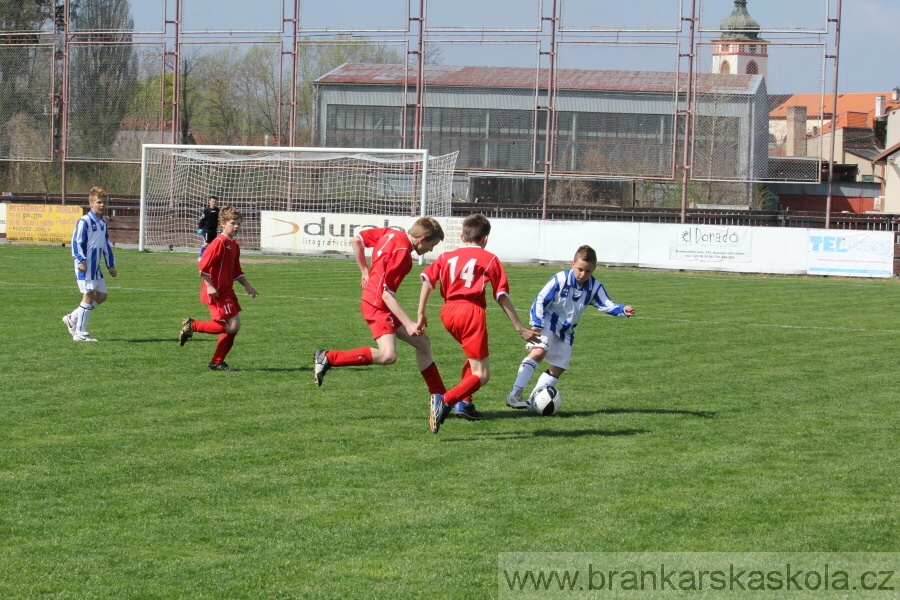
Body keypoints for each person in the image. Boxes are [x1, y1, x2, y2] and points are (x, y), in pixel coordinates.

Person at [418, 214, 539, 434]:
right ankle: (446, 401)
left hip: (448, 312)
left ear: (462, 237)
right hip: (470, 312)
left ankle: (465, 403)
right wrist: (520, 328)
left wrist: (420, 313)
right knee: (482, 374)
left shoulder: (446, 256)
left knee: (473, 359)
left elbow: (427, 280)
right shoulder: (489, 259)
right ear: (485, 239)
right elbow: (501, 295)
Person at [313, 217, 446, 398]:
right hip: (377, 305)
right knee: (388, 355)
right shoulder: (403, 254)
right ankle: (328, 357)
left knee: (423, 343)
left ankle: (439, 397)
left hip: (377, 301)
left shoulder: (391, 233)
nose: (430, 250)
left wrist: (364, 271)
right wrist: (408, 324)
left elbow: (357, 240)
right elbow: (386, 294)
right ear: (422, 239)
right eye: (432, 245)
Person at [506, 245, 635, 409]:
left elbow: (606, 304)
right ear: (572, 263)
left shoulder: (594, 287)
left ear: (594, 269)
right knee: (539, 351)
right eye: (580, 269)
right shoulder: (560, 279)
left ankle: (533, 403)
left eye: (588, 271)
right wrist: (537, 323)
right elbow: (540, 300)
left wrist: (622, 310)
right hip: (548, 322)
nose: (583, 274)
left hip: (567, 331)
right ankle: (514, 394)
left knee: (559, 367)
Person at [179, 205, 258, 371]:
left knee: (234, 327)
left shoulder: (234, 244)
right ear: (222, 223)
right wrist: (209, 285)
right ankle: (192, 325)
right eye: (232, 223)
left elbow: (236, 271)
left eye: (238, 223)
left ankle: (217, 362)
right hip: (216, 291)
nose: (236, 226)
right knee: (233, 326)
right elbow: (203, 267)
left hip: (227, 291)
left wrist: (247, 285)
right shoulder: (218, 242)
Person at [62, 187, 118, 341]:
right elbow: (76, 242)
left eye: (104, 202)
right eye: (99, 202)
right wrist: (81, 260)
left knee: (102, 295)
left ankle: (73, 318)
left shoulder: (102, 223)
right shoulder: (84, 221)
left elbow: (106, 245)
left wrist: (111, 265)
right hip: (85, 266)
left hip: (96, 267)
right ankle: (80, 333)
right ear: (91, 203)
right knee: (88, 296)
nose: (102, 205)